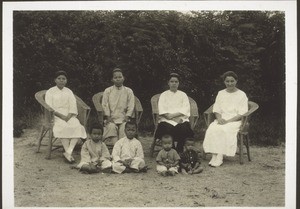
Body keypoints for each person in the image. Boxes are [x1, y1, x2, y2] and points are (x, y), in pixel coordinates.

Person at [203, 71, 248, 167]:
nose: (230, 83)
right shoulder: (221, 93)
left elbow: (242, 113)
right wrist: (219, 119)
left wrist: (228, 121)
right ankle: (214, 155)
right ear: (224, 82)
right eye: (227, 81)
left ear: (236, 81)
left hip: (235, 120)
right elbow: (217, 109)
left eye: (232, 81)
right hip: (222, 119)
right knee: (213, 128)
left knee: (224, 129)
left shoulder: (242, 95)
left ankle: (219, 156)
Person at [45, 70, 87, 163]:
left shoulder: (69, 91)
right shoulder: (50, 91)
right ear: (55, 80)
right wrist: (62, 117)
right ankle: (69, 153)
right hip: (56, 115)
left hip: (69, 115)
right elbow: (49, 107)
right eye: (59, 78)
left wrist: (68, 116)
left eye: (63, 79)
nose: (61, 80)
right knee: (62, 127)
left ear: (66, 80)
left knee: (77, 126)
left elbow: (73, 106)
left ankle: (68, 152)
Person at [154, 72, 194, 153]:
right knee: (166, 128)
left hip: (180, 118)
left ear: (179, 83)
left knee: (184, 129)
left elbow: (185, 109)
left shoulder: (183, 95)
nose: (174, 83)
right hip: (166, 119)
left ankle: (179, 149)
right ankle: (171, 150)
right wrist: (171, 118)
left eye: (176, 82)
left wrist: (174, 117)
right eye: (172, 81)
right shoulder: (164, 95)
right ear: (168, 83)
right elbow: (162, 110)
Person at [102, 68, 135, 147]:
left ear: (123, 78)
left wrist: (127, 116)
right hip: (111, 118)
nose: (118, 79)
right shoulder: (108, 91)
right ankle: (117, 147)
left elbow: (131, 105)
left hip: (124, 118)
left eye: (120, 77)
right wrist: (108, 116)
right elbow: (105, 104)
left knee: (125, 126)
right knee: (111, 126)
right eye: (115, 77)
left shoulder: (128, 91)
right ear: (112, 79)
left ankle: (122, 148)